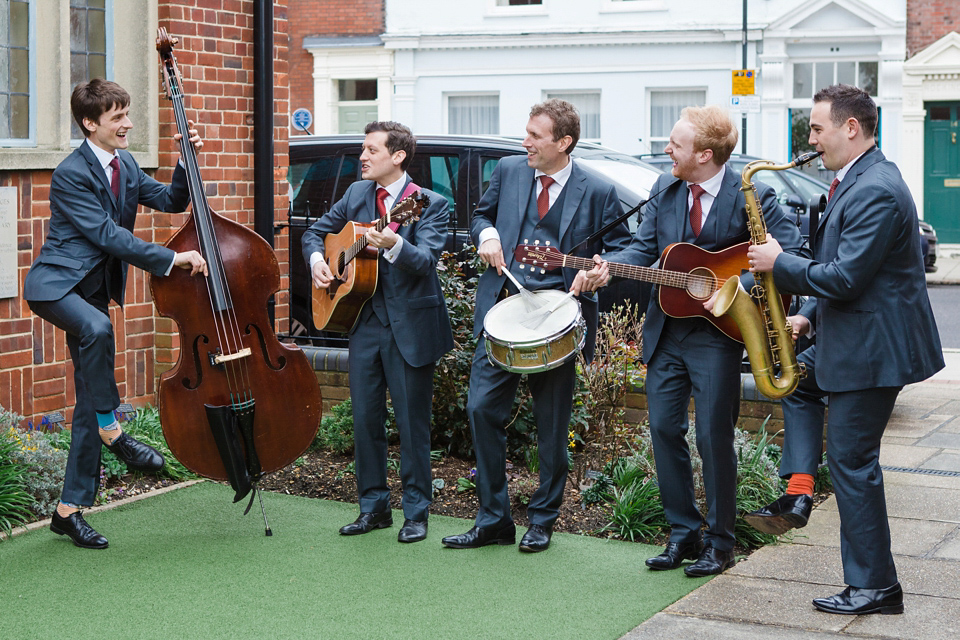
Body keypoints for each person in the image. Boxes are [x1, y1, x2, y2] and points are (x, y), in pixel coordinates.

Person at [582, 105, 805, 576]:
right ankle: (683, 533)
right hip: (666, 333)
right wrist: (608, 268)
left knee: (713, 437)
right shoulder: (665, 189)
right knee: (663, 429)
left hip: (719, 339)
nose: (666, 151)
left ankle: (720, 542)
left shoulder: (756, 197)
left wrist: (735, 292)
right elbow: (645, 249)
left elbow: (791, 257)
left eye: (675, 145)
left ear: (705, 154)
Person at [746, 84, 943, 615]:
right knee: (793, 384)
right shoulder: (854, 179)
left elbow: (850, 276)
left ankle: (876, 586)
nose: (809, 138)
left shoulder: (876, 187)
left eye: (816, 128)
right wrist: (807, 316)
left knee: (855, 464)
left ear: (849, 127)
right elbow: (846, 271)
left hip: (874, 350)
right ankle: (800, 489)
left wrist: (778, 262)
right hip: (849, 335)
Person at [23, 79, 208, 549]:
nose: (127, 124)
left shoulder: (124, 163)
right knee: (98, 327)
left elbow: (171, 201)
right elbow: (107, 235)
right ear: (91, 123)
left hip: (94, 290)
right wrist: (171, 260)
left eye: (127, 114)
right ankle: (112, 427)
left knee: (86, 396)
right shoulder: (70, 173)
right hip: (56, 287)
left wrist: (186, 162)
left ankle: (68, 510)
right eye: (118, 117)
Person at [441, 99, 632, 553]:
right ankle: (493, 520)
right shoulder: (509, 171)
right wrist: (485, 235)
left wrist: (603, 270)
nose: (524, 142)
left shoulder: (599, 190)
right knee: (481, 410)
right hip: (503, 312)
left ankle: (543, 519)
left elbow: (623, 248)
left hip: (559, 321)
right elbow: (481, 216)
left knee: (552, 425)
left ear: (563, 143)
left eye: (535, 136)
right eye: (525, 133)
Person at [302, 121, 454, 544]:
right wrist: (318, 261)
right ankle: (373, 508)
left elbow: (425, 262)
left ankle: (417, 513)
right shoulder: (356, 194)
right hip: (362, 322)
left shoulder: (428, 203)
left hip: (410, 327)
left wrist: (393, 244)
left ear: (398, 156)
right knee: (365, 420)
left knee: (412, 424)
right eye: (363, 150)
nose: (363, 157)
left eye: (371, 150)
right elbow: (317, 233)